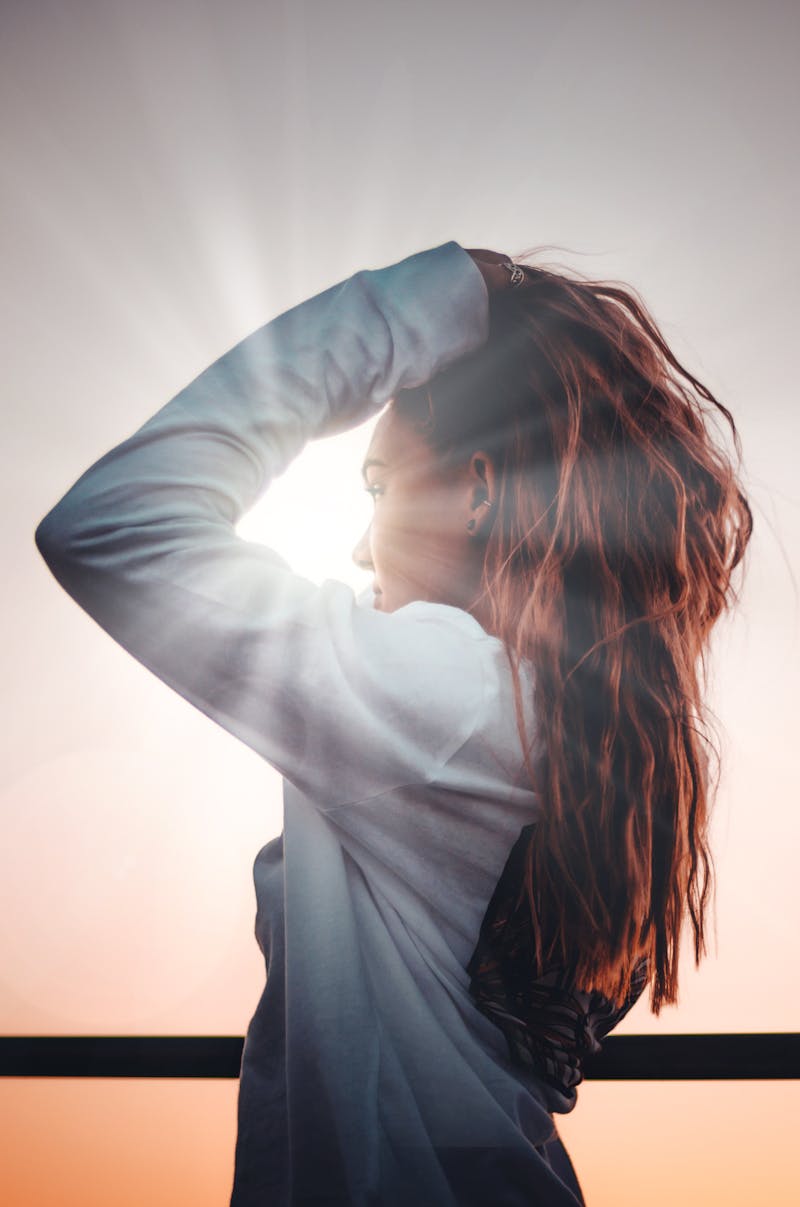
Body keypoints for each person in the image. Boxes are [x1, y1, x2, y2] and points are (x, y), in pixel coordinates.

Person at [34, 239, 752, 1206]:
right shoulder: (579, 734)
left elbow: (113, 521)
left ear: (482, 491)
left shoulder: (446, 702)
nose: (359, 543)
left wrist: (440, 295)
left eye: (379, 488)